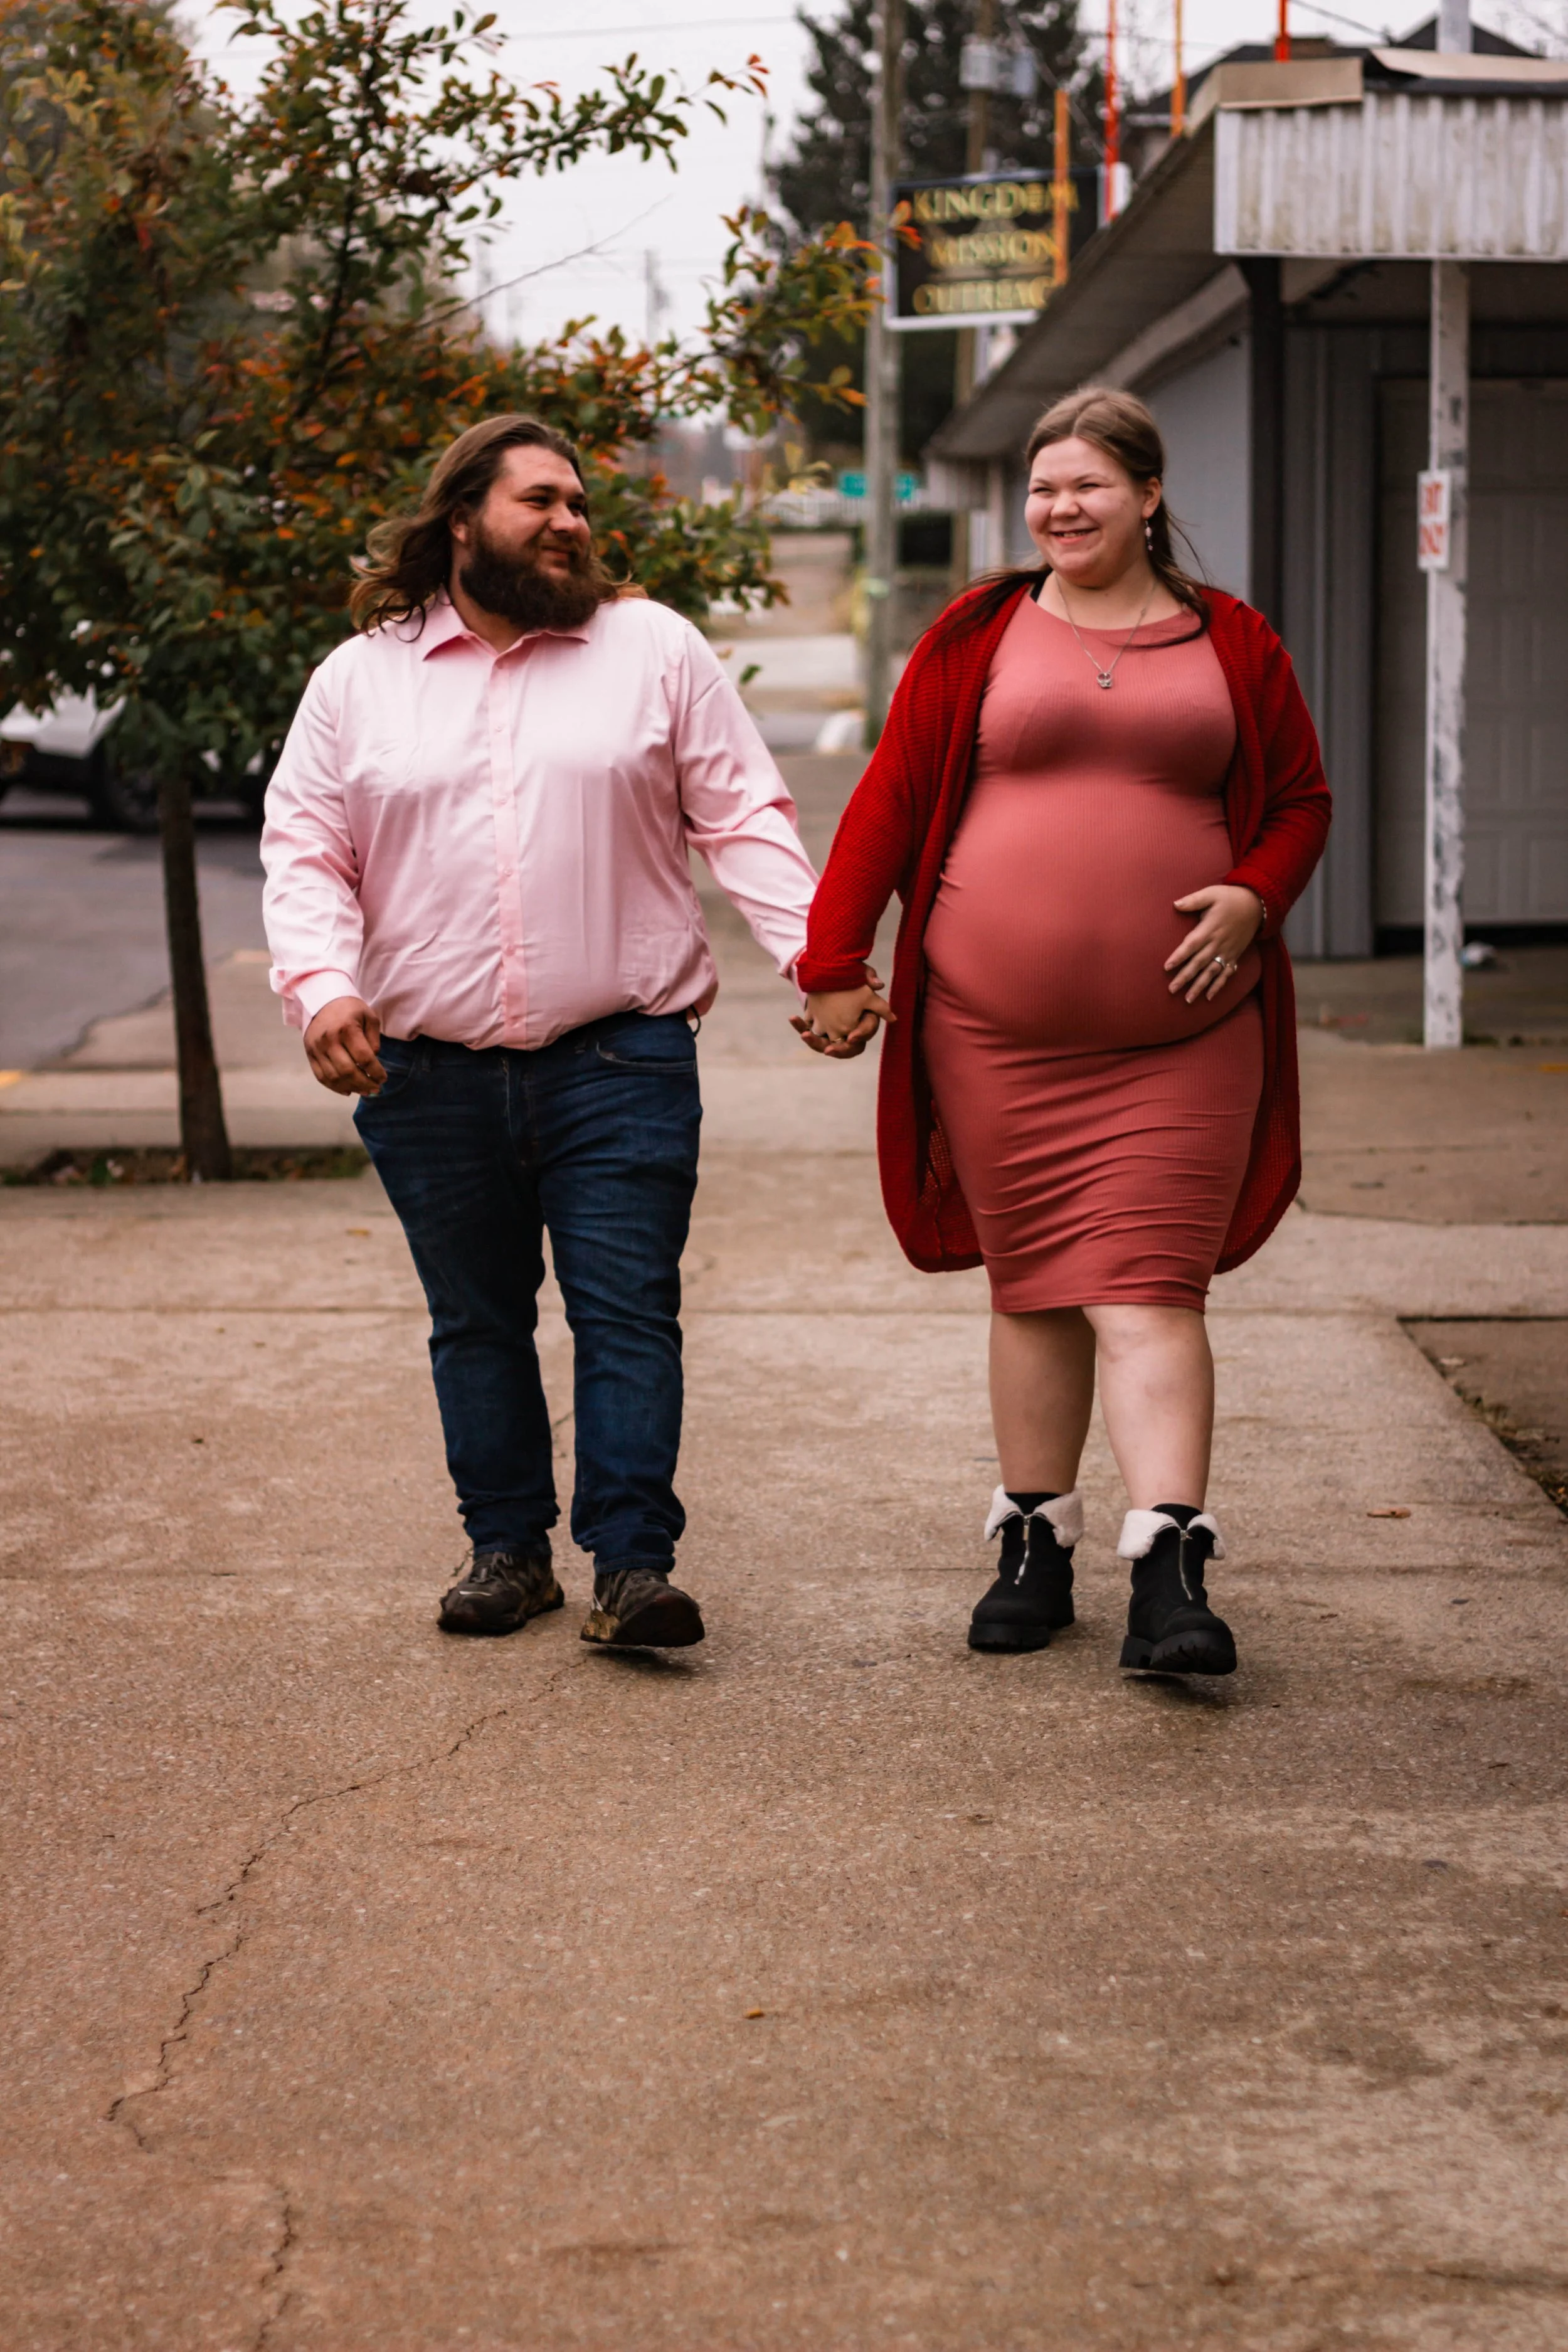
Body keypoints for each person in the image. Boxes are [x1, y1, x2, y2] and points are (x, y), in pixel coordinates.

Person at [795, 387, 1330, 1676]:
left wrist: (1255, 898)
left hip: (1183, 1038)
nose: (1059, 508)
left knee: (1147, 1291)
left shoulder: (1234, 644)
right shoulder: (975, 637)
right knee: (1032, 1290)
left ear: (1148, 497)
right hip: (991, 1036)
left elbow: (1300, 801)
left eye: (1086, 485)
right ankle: (1032, 1545)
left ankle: (1168, 1569)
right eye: (1042, 490)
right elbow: (889, 799)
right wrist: (831, 961)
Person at [262, 414, 818, 1649]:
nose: (569, 520)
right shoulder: (361, 677)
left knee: (627, 1310)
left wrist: (817, 963)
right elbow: (306, 848)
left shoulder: (652, 650)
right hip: (423, 1071)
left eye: (577, 502)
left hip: (619, 1057)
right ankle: (504, 1552)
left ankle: (631, 1566)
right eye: (539, 502)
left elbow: (743, 817)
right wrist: (319, 986)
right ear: (462, 520)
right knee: (476, 1319)